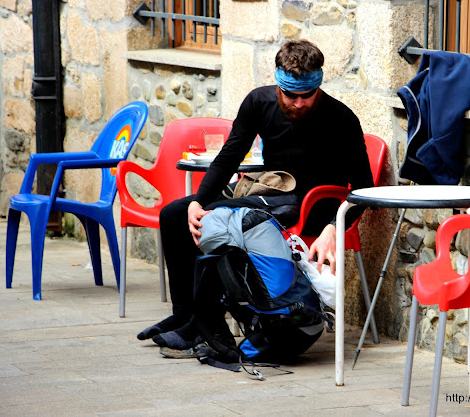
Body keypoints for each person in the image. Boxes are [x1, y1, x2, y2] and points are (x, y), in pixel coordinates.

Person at [137, 39, 374, 351]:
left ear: (318, 85)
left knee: (224, 219)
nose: (299, 103)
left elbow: (364, 187)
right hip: (270, 190)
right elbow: (229, 156)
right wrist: (198, 200)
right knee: (175, 214)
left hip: (310, 204)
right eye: (291, 95)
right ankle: (184, 316)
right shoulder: (258, 103)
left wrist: (334, 226)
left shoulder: (340, 118)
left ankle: (203, 325)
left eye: (307, 96)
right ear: (278, 84)